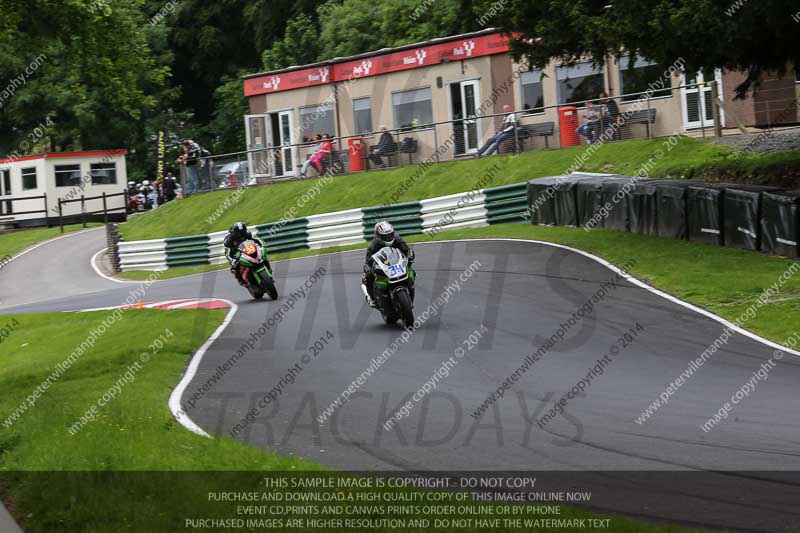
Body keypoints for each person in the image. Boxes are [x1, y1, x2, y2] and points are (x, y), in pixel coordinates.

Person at [362, 221, 414, 308]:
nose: (388, 238)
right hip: (383, 265)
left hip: (397, 263)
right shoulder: (373, 245)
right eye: (385, 236)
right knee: (367, 277)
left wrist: (410, 256)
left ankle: (410, 286)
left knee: (412, 270)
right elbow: (368, 261)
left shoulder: (398, 239)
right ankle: (372, 299)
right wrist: (368, 268)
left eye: (390, 235)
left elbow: (407, 250)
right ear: (378, 236)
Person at [224, 222, 271, 287]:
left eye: (242, 231)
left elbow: (256, 240)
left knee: (263, 257)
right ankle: (241, 280)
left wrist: (262, 244)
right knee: (234, 267)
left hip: (248, 250)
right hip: (236, 254)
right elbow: (227, 253)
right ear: (235, 232)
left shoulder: (247, 234)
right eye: (239, 232)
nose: (241, 234)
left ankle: (268, 270)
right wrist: (232, 260)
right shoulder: (229, 240)